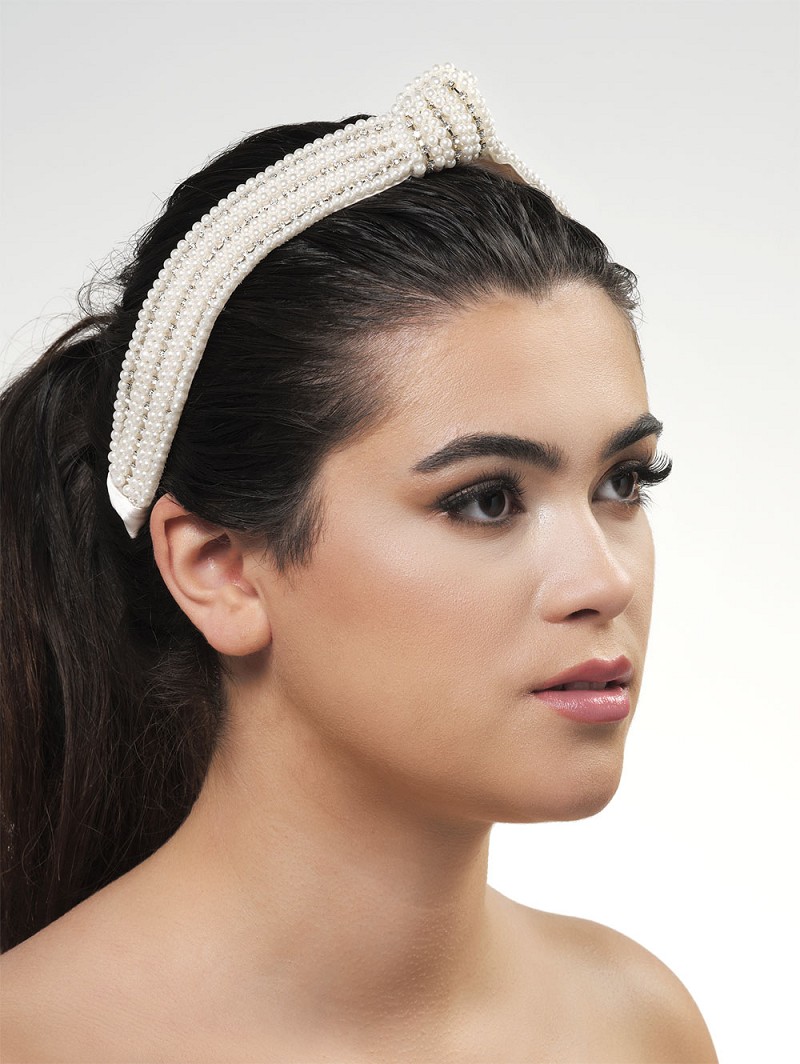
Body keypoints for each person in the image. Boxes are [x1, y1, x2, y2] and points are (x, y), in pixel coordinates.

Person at [0, 66, 717, 1062]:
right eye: (485, 499)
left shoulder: (636, 1027)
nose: (605, 581)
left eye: (623, 483)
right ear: (219, 567)